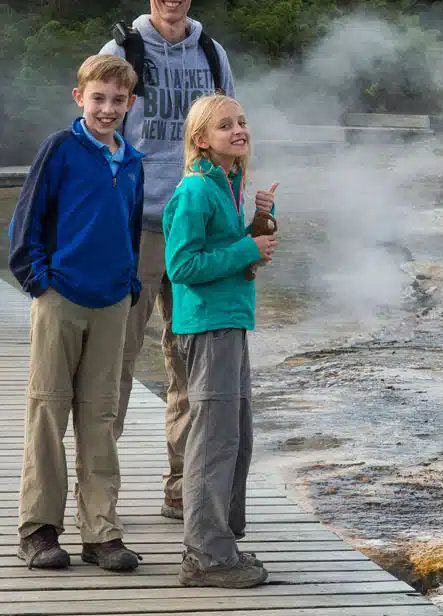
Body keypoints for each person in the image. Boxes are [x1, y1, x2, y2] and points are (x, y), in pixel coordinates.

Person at [100, 0, 238, 520]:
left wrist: (234, 220)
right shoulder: (122, 51)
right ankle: (99, 497)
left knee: (189, 363)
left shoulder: (211, 54)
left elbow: (229, 137)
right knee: (115, 362)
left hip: (195, 229)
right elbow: (97, 135)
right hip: (135, 229)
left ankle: (184, 490)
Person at [7, 55, 145, 572]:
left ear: (130, 104)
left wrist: (130, 284)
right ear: (79, 97)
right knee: (49, 411)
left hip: (112, 302)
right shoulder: (61, 149)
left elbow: (130, 228)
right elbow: (27, 220)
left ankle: (101, 532)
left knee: (100, 417)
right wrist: (38, 281)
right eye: (98, 98)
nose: (107, 109)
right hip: (61, 296)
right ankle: (38, 529)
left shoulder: (132, 162)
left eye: (117, 101)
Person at [164, 94, 279, 588]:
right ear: (201, 139)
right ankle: (205, 557)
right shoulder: (196, 190)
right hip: (208, 327)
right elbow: (181, 266)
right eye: (225, 125)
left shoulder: (227, 185)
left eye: (242, 122)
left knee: (234, 435)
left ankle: (220, 543)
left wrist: (258, 226)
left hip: (229, 322)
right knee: (212, 441)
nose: (239, 130)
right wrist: (246, 249)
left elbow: (228, 252)